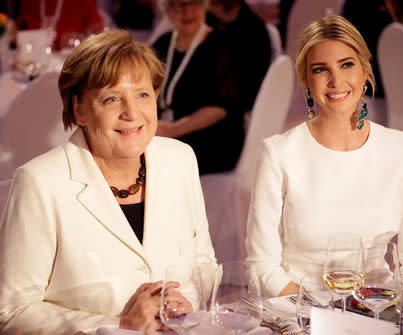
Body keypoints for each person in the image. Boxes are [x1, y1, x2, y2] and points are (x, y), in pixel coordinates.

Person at [0, 30, 216, 334]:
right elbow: (12, 311)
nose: (131, 113)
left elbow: (203, 266)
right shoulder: (39, 184)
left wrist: (181, 305)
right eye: (112, 98)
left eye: (142, 94)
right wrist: (119, 325)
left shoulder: (180, 160)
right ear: (79, 110)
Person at [245, 15, 403, 298]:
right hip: (300, 312)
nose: (336, 80)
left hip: (377, 306)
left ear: (365, 70)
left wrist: (389, 307)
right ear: (306, 79)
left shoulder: (401, 149)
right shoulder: (279, 154)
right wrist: (319, 313)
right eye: (320, 69)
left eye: (347, 65)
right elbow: (261, 267)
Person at [152, 0, 245, 175]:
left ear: (205, 7)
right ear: (168, 11)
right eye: (179, 5)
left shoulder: (224, 45)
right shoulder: (161, 45)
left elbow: (221, 107)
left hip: (213, 139)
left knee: (155, 163)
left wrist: (172, 130)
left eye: (194, 4)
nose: (188, 11)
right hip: (167, 133)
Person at [207, 0, 271, 114]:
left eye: (212, 3)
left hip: (235, 105)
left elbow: (249, 83)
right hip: (213, 97)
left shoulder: (254, 31)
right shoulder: (211, 21)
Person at [15, 0, 105, 50]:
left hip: (71, 63)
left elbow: (100, 32)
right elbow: (18, 30)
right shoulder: (29, 2)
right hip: (36, 62)